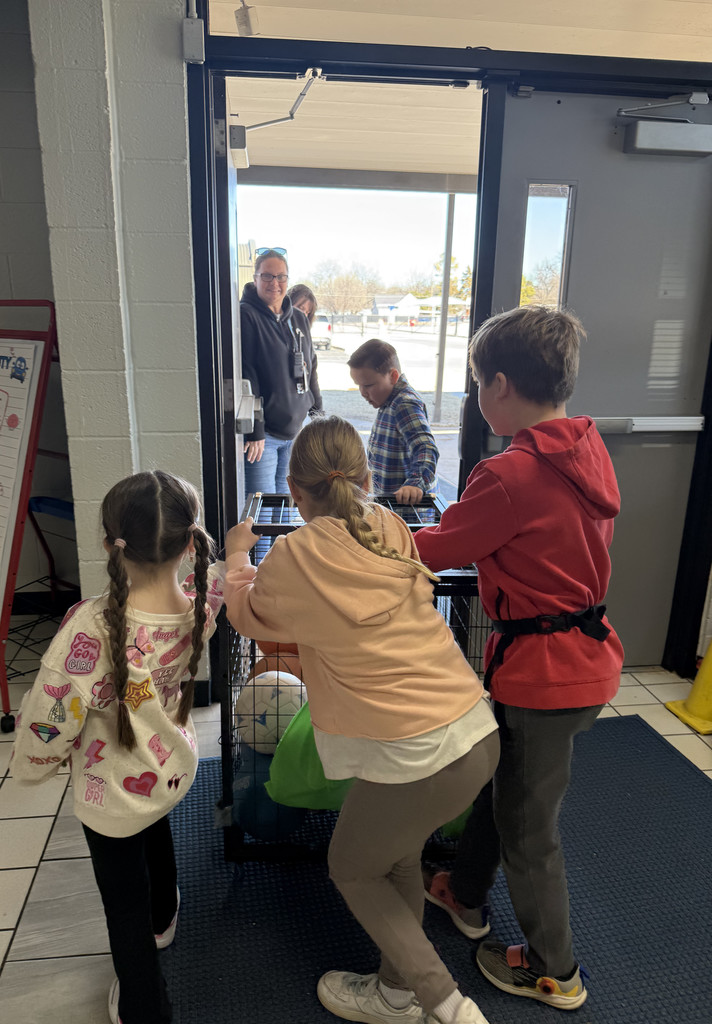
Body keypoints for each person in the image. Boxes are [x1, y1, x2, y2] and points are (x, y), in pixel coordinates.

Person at [224, 415, 499, 1024]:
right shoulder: (392, 526)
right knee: (395, 856)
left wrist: (236, 554)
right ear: (367, 479)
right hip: (475, 732)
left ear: (294, 491)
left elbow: (246, 614)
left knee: (351, 867)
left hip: (415, 753)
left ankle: (444, 1003)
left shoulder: (293, 556)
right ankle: (396, 992)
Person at [414, 306, 624, 1011]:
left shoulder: (509, 474)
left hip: (544, 673)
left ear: (500, 385)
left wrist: (363, 534)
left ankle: (553, 970)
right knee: (500, 780)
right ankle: (466, 892)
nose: (477, 396)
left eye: (477, 383)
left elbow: (437, 547)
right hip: (578, 655)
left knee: (531, 829)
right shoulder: (586, 448)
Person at [10, 470, 225, 1024]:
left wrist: (32, 766)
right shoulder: (200, 605)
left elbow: (51, 712)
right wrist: (240, 552)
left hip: (109, 789)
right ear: (190, 543)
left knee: (121, 905)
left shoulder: (91, 625)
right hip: (168, 764)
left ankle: (144, 1008)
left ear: (110, 544)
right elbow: (223, 584)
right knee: (153, 824)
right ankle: (164, 917)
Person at [241, 249, 322, 495]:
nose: (274, 283)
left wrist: (318, 415)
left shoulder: (298, 318)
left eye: (281, 277)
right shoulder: (246, 315)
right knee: (263, 508)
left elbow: (311, 365)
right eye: (267, 276)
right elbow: (247, 375)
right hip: (263, 437)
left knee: (289, 504)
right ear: (255, 278)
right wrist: (255, 430)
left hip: (296, 431)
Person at [348, 338, 439, 505]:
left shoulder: (404, 404)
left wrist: (415, 484)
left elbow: (426, 448)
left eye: (368, 385)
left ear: (393, 376)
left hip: (405, 508)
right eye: (358, 385)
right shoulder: (387, 401)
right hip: (388, 504)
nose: (362, 392)